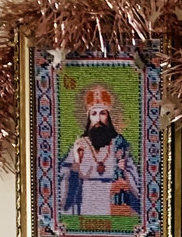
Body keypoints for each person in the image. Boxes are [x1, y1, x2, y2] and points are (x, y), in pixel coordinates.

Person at [59, 83, 139, 223]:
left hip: (113, 207)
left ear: (108, 117)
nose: (98, 119)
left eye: (103, 113)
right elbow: (63, 182)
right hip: (85, 205)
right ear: (88, 117)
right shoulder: (80, 145)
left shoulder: (119, 144)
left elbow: (137, 183)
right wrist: (76, 163)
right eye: (94, 114)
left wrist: (125, 171)